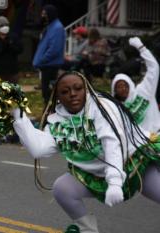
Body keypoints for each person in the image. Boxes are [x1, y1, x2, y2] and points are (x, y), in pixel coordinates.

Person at [11, 71, 160, 232]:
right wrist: (19, 118)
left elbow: (112, 143)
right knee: (62, 188)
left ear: (86, 89)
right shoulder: (56, 122)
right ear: (58, 97)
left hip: (133, 165)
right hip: (96, 176)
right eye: (65, 92)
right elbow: (39, 149)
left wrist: (115, 182)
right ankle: (87, 229)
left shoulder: (102, 107)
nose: (72, 94)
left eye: (77, 88)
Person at [111, 37, 160, 133]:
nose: (123, 88)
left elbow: (154, 67)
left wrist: (141, 48)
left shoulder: (144, 90)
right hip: (139, 144)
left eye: (125, 85)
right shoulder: (116, 108)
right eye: (119, 87)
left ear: (130, 84)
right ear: (114, 90)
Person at [32, 5, 66, 103]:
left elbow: (54, 50)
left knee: (49, 94)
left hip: (50, 65)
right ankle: (47, 113)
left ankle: (50, 114)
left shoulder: (57, 28)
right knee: (46, 93)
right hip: (47, 65)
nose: (43, 17)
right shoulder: (51, 26)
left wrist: (42, 60)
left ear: (50, 14)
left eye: (44, 14)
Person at [0, 16, 23, 84]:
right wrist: (0, 49)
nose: (5, 27)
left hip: (12, 71)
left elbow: (20, 49)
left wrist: (10, 45)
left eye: (6, 25)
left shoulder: (13, 37)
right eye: (2, 25)